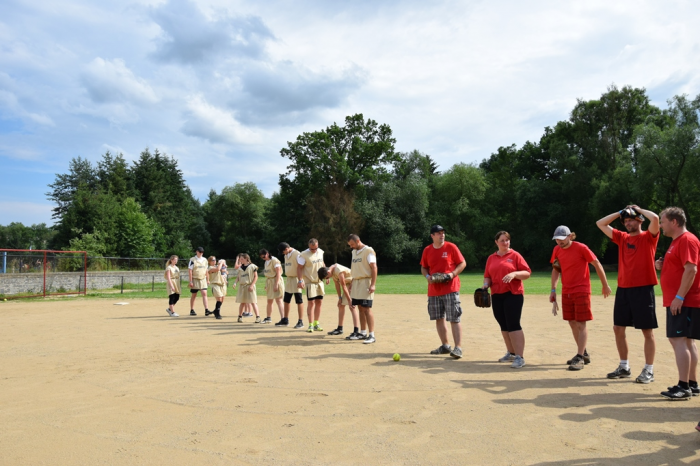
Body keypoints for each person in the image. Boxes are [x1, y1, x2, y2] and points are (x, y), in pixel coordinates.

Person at [596, 205, 660, 383]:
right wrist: (620, 212)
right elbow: (600, 224)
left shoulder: (648, 237)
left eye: (631, 219)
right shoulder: (622, 238)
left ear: (640, 220)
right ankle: (624, 366)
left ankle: (649, 370)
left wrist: (639, 209)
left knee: (647, 331)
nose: (628, 223)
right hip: (623, 289)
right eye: (625, 221)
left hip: (643, 289)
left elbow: (655, 219)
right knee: (618, 328)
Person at [550, 226, 612, 371]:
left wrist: (605, 285)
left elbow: (596, 263)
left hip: (581, 290)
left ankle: (579, 357)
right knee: (572, 322)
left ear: (570, 236)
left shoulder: (581, 248)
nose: (559, 242)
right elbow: (556, 270)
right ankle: (583, 353)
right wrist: (553, 290)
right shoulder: (557, 250)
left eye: (562, 238)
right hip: (566, 290)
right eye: (557, 239)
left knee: (580, 323)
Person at [655, 207, 700, 400]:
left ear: (674, 222)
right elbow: (680, 267)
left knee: (678, 340)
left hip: (684, 300)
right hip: (681, 300)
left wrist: (679, 297)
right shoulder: (677, 241)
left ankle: (684, 386)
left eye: (662, 221)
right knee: (687, 341)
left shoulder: (687, 240)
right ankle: (692, 383)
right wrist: (662, 265)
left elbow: (691, 269)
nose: (660, 225)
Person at [483, 231, 531, 369]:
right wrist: (485, 285)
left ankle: (520, 357)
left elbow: (527, 273)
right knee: (503, 324)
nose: (505, 242)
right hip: (496, 294)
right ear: (496, 242)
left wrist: (514, 273)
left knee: (513, 324)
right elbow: (487, 276)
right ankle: (511, 353)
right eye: (502, 240)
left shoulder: (515, 255)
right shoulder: (491, 258)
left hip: (513, 294)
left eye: (507, 240)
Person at [420, 225, 467, 358]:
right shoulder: (427, 250)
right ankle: (445, 345)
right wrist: (428, 276)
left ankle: (458, 348)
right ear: (432, 236)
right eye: (438, 233)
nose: (442, 235)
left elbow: (462, 263)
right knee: (439, 318)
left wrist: (452, 274)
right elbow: (424, 267)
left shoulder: (451, 247)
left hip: (450, 288)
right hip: (434, 290)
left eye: (443, 233)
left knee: (454, 318)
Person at [347, 235, 378, 343]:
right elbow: (355, 269)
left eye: (352, 244)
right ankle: (363, 332)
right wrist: (352, 282)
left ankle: (372, 335)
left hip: (365, 281)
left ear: (358, 241)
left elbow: (374, 267)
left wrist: (373, 284)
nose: (351, 246)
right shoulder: (354, 252)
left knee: (366, 308)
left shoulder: (368, 251)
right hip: (356, 282)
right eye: (350, 245)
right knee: (360, 308)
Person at [318, 263, 359, 338]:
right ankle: (340, 329)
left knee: (352, 306)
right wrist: (340, 298)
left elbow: (343, 286)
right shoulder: (332, 272)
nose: (328, 279)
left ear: (328, 272)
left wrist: (349, 300)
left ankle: (356, 331)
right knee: (341, 305)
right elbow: (337, 285)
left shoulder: (339, 271)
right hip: (348, 284)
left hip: (354, 283)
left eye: (327, 277)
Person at [297, 239, 326, 333]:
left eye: (315, 248)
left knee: (319, 302)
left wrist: (326, 275)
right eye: (312, 249)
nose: (314, 250)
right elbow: (299, 268)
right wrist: (300, 280)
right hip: (310, 281)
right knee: (311, 303)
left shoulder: (320, 252)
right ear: (309, 246)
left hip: (319, 281)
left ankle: (316, 323)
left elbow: (322, 263)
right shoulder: (303, 254)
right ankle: (310, 325)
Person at [277, 242, 305, 328]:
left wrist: (300, 280)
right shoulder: (286, 255)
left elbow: (301, 267)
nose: (283, 254)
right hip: (289, 279)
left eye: (283, 252)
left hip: (296, 279)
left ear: (286, 249)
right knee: (286, 300)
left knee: (299, 300)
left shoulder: (297, 254)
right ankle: (285, 319)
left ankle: (300, 321)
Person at [260, 249, 285, 324]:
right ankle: (268, 318)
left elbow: (278, 273)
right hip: (269, 281)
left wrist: (276, 284)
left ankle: (283, 318)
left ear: (267, 254)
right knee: (269, 300)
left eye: (264, 256)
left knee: (279, 300)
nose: (263, 258)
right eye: (262, 257)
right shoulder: (266, 262)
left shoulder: (274, 260)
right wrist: (266, 285)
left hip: (276, 280)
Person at [235, 253, 260, 323]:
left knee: (253, 302)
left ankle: (258, 317)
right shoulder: (240, 268)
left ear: (246, 259)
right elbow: (238, 277)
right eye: (240, 259)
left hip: (249, 286)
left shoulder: (252, 266)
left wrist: (252, 285)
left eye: (242, 259)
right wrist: (235, 283)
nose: (240, 260)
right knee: (242, 302)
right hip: (242, 286)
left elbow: (256, 277)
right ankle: (240, 317)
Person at [188, 247, 210, 316]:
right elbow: (190, 270)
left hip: (203, 279)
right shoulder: (192, 260)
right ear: (196, 252)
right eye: (200, 252)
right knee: (194, 295)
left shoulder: (205, 260)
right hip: (195, 279)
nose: (201, 253)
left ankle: (206, 309)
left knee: (204, 293)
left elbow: (206, 270)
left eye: (202, 252)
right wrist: (191, 281)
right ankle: (192, 309)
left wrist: (208, 279)